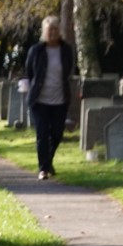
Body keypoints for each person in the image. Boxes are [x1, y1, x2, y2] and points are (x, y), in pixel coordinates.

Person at [24, 16, 75, 180]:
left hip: (60, 99)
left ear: (59, 31)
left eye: (55, 29)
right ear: (44, 32)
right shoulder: (36, 50)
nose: (52, 32)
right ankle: (43, 169)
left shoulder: (66, 50)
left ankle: (48, 161)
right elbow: (29, 72)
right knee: (42, 133)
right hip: (39, 100)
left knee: (57, 133)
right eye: (49, 30)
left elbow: (69, 69)